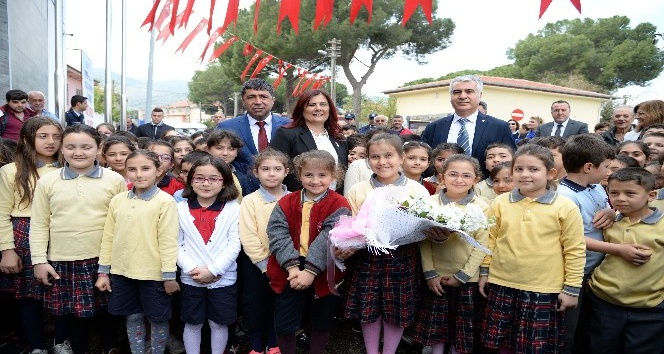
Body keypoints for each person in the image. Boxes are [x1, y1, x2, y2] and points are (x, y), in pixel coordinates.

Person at [344, 133, 446, 354]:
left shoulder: (416, 190)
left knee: (396, 310)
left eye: (389, 155)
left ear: (401, 157)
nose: (382, 162)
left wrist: (435, 232)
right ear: (367, 160)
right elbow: (351, 225)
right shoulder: (358, 190)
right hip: (367, 256)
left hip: (403, 257)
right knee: (369, 308)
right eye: (375, 157)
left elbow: (424, 224)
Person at [479, 144, 586, 353]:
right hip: (502, 283)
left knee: (532, 346)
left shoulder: (564, 207)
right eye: (518, 169)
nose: (525, 175)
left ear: (551, 173)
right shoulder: (500, 203)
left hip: (544, 289)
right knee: (500, 342)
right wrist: (484, 271)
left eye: (534, 169)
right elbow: (489, 240)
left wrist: (572, 289)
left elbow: (574, 250)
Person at [30, 124, 127, 354]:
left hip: (104, 259)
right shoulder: (48, 182)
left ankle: (109, 348)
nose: (78, 152)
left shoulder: (114, 180)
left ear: (98, 148)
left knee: (108, 312)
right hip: (63, 259)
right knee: (72, 313)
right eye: (71, 147)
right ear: (62, 149)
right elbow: (40, 223)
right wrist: (39, 261)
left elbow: (122, 223)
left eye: (86, 147)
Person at [266, 150, 351, 354]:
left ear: (334, 176)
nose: (315, 181)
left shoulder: (339, 204)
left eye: (322, 175)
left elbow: (329, 237)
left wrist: (310, 271)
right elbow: (277, 233)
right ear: (299, 175)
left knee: (321, 321)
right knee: (285, 322)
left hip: (322, 269)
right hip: (290, 269)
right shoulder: (286, 202)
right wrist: (293, 267)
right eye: (308, 175)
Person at [96, 150, 179, 354]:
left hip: (154, 275)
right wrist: (103, 272)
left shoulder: (165, 202)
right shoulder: (118, 200)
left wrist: (169, 276)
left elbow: (168, 241)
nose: (139, 174)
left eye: (145, 168)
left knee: (158, 318)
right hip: (123, 272)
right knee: (132, 316)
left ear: (158, 170)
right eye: (132, 169)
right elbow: (108, 237)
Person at [0, 118, 67, 354]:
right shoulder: (11, 170)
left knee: (62, 289)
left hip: (62, 231)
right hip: (24, 232)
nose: (50, 142)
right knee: (29, 294)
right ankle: (37, 347)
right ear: (28, 138)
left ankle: (62, 343)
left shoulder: (68, 167)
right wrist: (7, 249)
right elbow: (2, 213)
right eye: (43, 136)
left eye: (56, 136)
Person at [413, 154, 489, 354]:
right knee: (436, 327)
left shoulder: (482, 207)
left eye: (466, 175)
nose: (459, 180)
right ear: (441, 177)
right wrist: (430, 273)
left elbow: (482, 244)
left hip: (466, 279)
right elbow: (423, 241)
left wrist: (464, 275)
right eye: (453, 174)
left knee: (461, 328)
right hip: (436, 277)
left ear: (476, 179)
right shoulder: (429, 203)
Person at [587, 167, 664, 353]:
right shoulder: (610, 221)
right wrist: (611, 212)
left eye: (630, 193)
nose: (620, 198)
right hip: (604, 299)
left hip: (650, 306)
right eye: (614, 193)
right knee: (600, 347)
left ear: (651, 195)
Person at [176, 154, 241, 354]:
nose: (206, 183)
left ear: (224, 182)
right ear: (190, 181)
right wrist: (192, 269)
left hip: (223, 278)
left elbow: (234, 244)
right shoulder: (179, 209)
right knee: (192, 322)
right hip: (191, 277)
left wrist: (214, 270)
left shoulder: (233, 209)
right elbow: (174, 244)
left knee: (218, 323)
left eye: (213, 179)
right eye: (199, 178)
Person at [557, 134, 616, 353]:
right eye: (607, 167)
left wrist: (612, 212)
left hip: (595, 271)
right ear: (589, 167)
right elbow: (574, 239)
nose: (609, 172)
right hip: (575, 273)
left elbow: (607, 212)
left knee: (586, 328)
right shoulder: (565, 197)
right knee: (567, 331)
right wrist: (618, 250)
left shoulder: (597, 187)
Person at [239, 149, 290, 354]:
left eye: (277, 169)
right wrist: (264, 264)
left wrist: (291, 261)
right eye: (265, 169)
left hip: (287, 263)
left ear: (286, 172)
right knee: (256, 304)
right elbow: (248, 235)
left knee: (280, 304)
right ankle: (256, 345)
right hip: (257, 264)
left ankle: (274, 342)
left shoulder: (295, 198)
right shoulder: (250, 201)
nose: (271, 174)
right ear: (255, 172)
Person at [421, 75, 516, 178]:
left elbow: (511, 162)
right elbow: (425, 160)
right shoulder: (434, 127)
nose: (462, 96)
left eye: (469, 91)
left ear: (480, 95)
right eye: (457, 92)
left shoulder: (499, 127)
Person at [217, 78, 290, 189]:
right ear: (243, 101)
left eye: (263, 97)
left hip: (283, 193)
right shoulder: (227, 127)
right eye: (251, 97)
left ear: (273, 100)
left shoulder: (289, 126)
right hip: (239, 194)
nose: (258, 102)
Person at [270, 89, 348, 192]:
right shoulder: (287, 134)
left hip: (333, 202)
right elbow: (276, 169)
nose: (318, 108)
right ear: (302, 109)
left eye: (323, 104)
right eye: (312, 105)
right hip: (298, 200)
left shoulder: (339, 138)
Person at [206, 130, 252, 200]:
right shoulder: (200, 172)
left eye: (231, 149)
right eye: (219, 148)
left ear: (237, 152)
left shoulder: (243, 172)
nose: (225, 153)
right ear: (208, 149)